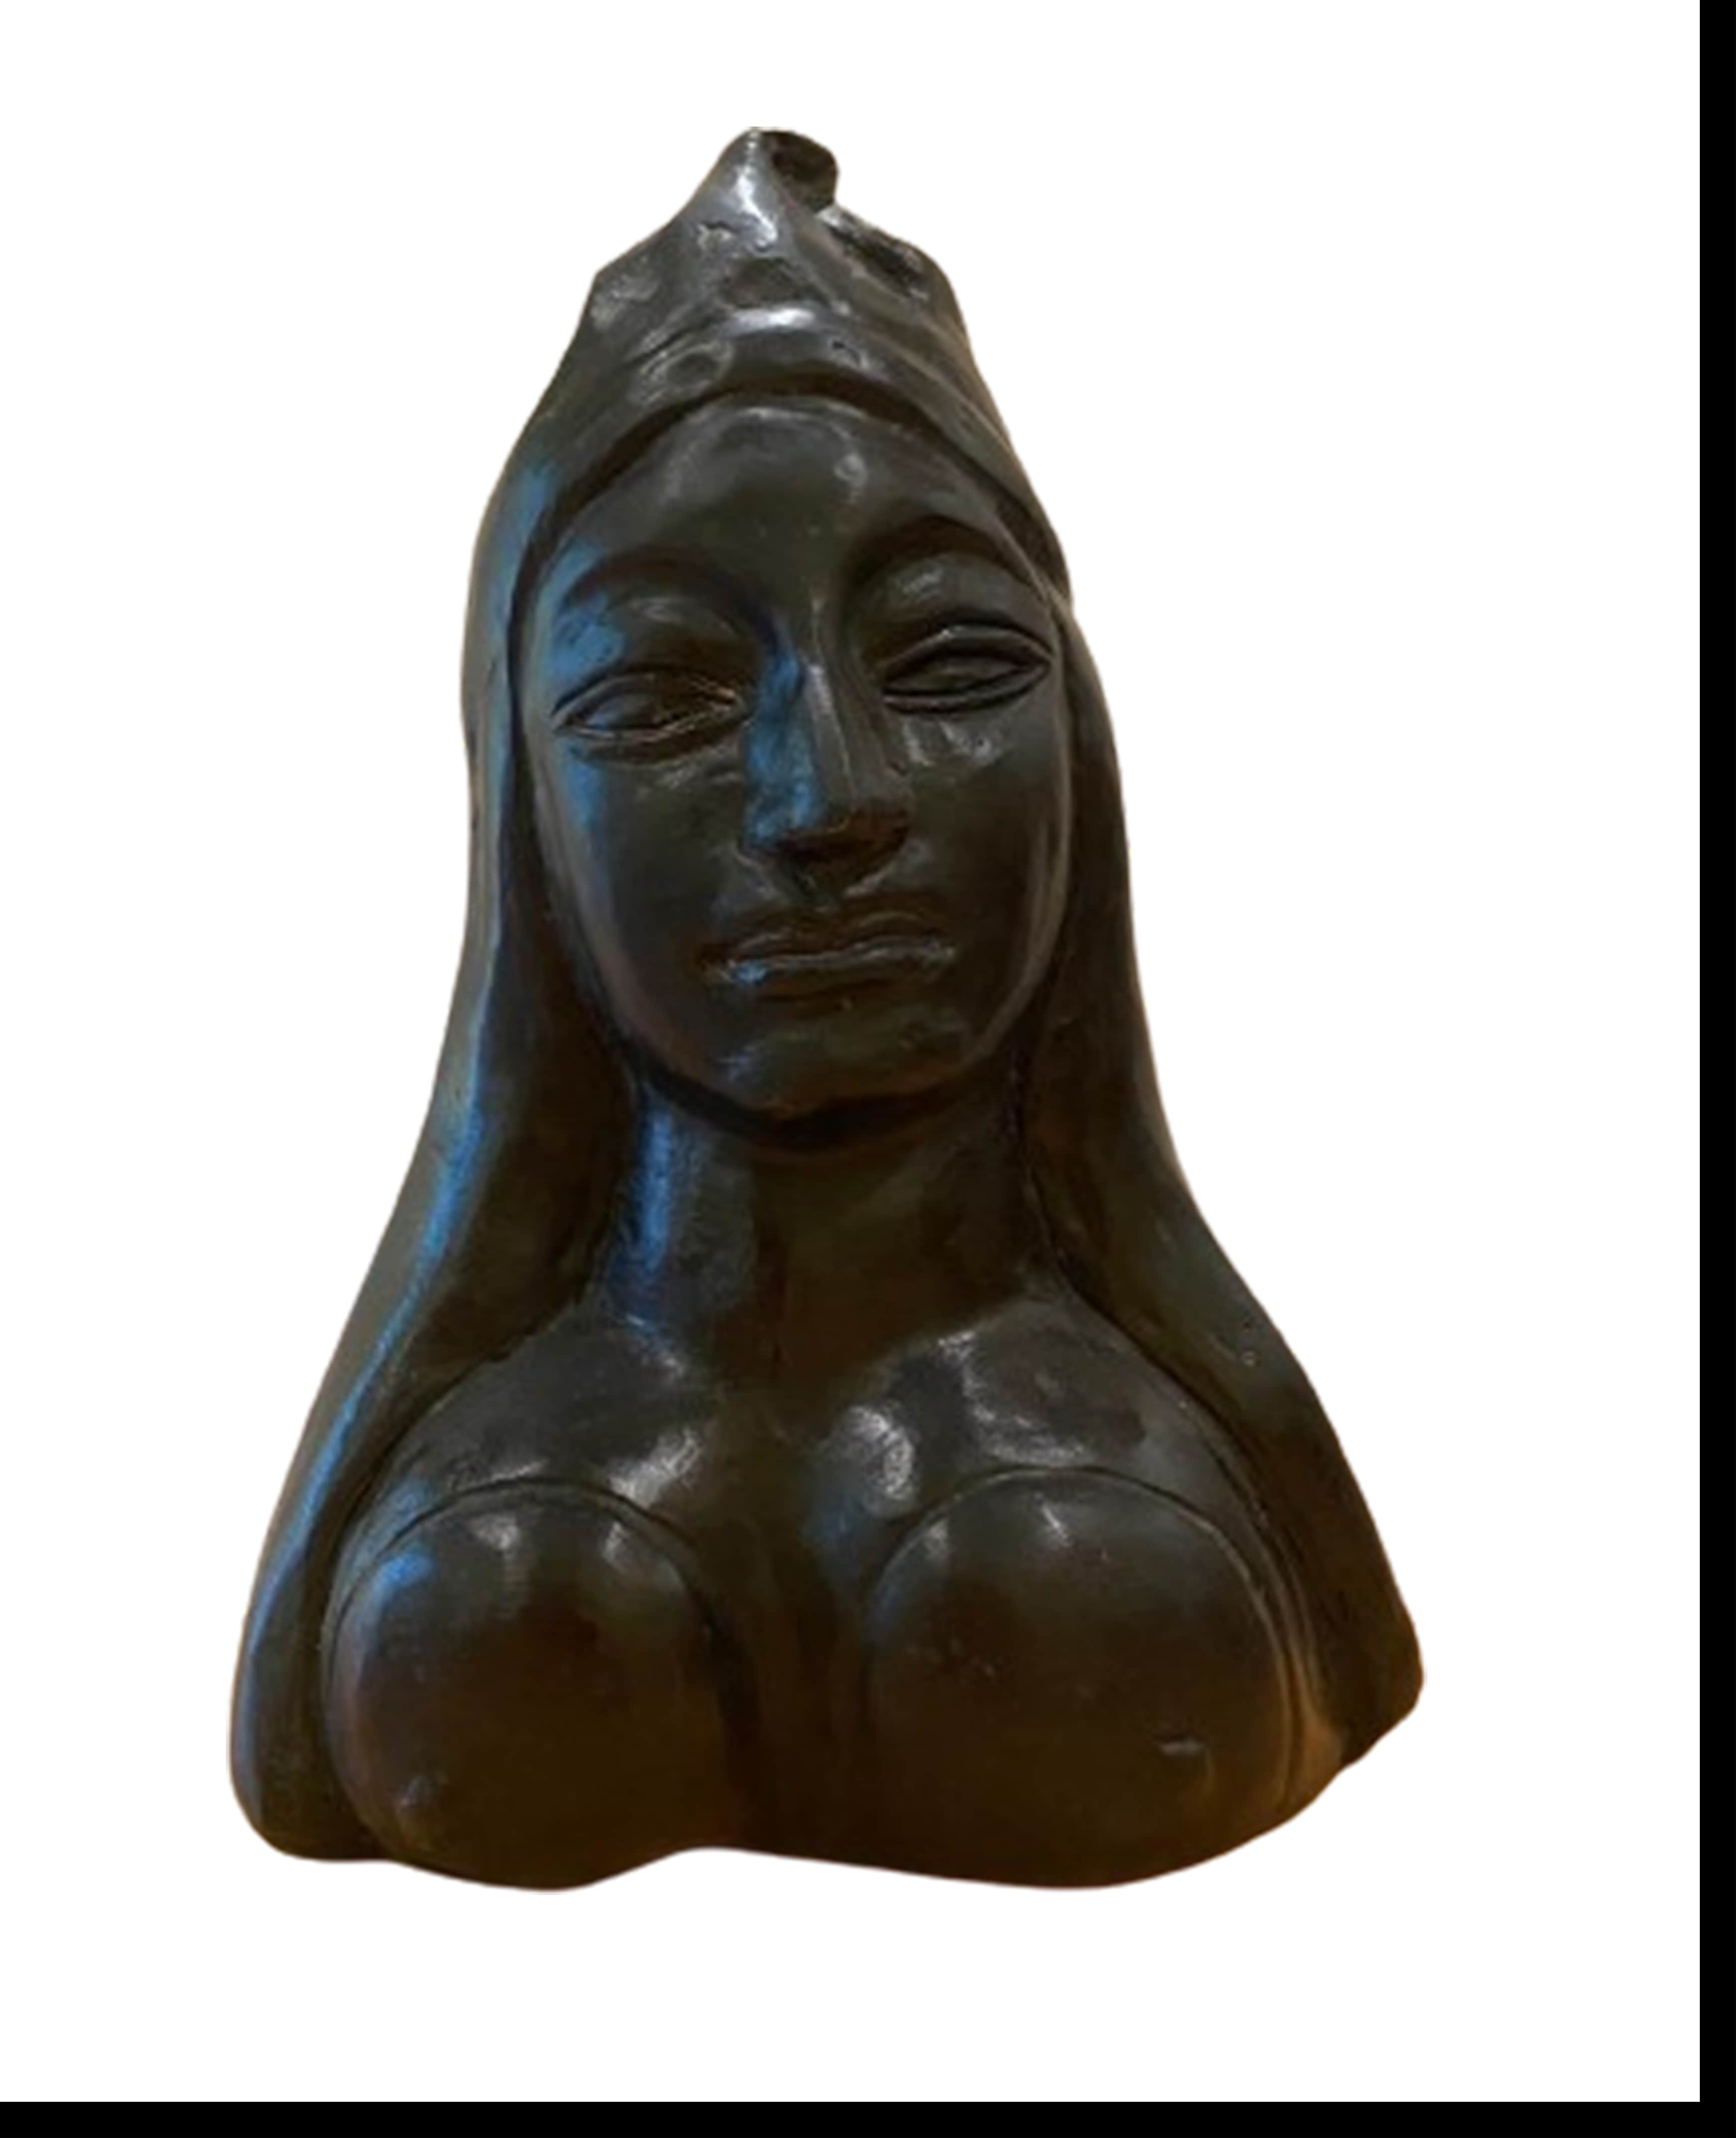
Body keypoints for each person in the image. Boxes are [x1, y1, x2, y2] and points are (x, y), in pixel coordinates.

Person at [231, 130, 1421, 1888]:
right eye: (661, 697)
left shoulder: (1132, 1447)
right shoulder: (493, 1508)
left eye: (949, 663)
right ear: (528, 818)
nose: (828, 798)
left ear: (1080, 751)